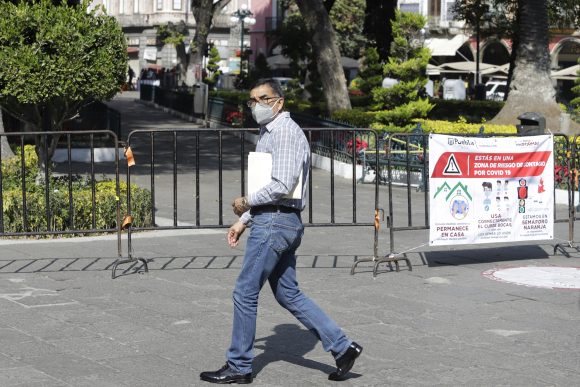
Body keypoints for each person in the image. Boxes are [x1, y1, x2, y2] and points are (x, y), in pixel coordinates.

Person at [200, 78, 362, 384]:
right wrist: (244, 220)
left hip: (275, 223)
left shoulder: (285, 133)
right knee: (288, 294)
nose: (256, 106)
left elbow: (281, 185)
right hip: (275, 220)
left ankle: (239, 366)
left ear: (279, 102)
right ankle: (342, 348)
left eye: (263, 99)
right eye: (252, 100)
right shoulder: (269, 132)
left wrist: (246, 202)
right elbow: (272, 187)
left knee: (245, 292)